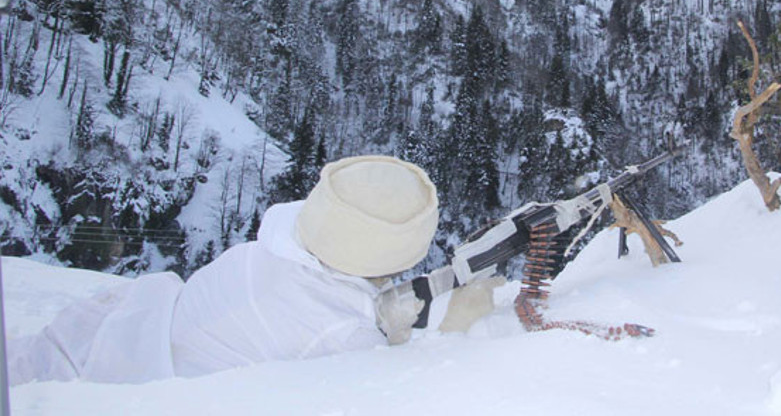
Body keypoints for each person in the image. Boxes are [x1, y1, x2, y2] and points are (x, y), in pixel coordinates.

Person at [9, 155, 458, 384]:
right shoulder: (337, 331)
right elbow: (379, 377)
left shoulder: (272, 246)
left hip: (110, 329)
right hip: (122, 384)